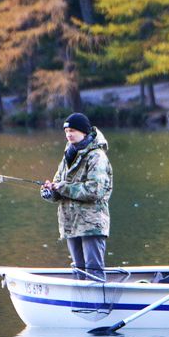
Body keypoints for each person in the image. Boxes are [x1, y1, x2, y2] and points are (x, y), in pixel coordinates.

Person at [41, 112, 113, 281]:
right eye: (66, 132)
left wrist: (63, 188)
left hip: (91, 224)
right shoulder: (68, 155)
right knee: (79, 273)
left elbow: (95, 190)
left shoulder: (97, 156)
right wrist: (50, 192)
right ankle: (82, 307)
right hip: (71, 224)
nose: (69, 135)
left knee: (93, 273)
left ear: (84, 132)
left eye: (72, 130)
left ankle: (96, 307)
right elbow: (59, 185)